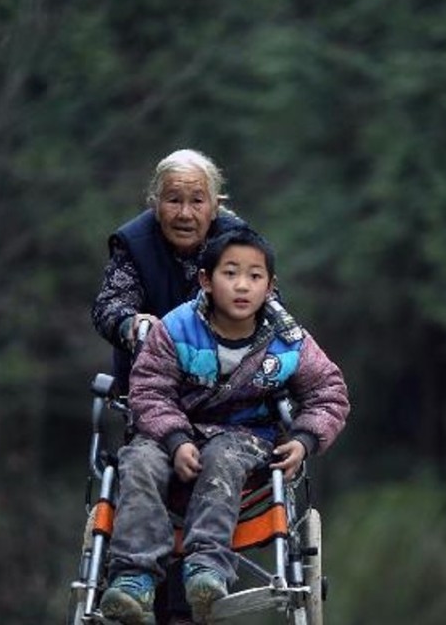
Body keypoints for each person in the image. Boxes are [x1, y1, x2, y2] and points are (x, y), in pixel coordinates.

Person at [99, 228, 350, 625]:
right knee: (139, 460)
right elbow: (148, 390)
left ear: (270, 287)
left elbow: (329, 393)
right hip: (171, 432)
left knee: (224, 457)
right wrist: (176, 439)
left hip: (245, 438)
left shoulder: (288, 341)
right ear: (205, 280)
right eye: (230, 273)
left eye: (254, 276)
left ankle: (207, 567)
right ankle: (133, 576)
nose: (242, 285)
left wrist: (304, 440)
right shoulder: (176, 329)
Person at [92, 148, 248, 397]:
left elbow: (269, 305)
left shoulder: (239, 243)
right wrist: (131, 324)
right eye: (174, 200)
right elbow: (110, 305)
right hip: (152, 389)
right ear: (155, 204)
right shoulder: (133, 243)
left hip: (231, 390)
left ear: (215, 206)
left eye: (197, 201)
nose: (185, 214)